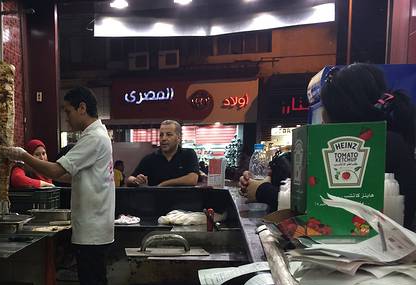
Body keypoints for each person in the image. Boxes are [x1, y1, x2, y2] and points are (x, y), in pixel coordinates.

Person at [241, 63, 416, 229]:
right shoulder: (392, 141)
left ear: (345, 110)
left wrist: (263, 190)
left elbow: (324, 212)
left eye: (326, 109)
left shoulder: (385, 146)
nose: (323, 117)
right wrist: (266, 183)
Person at [3, 86, 115, 285]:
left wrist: (23, 155)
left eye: (68, 111)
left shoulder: (94, 138)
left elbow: (55, 170)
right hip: (94, 228)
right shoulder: (96, 135)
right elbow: (66, 174)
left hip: (93, 231)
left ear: (82, 108)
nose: (66, 117)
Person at [126, 120, 199, 187]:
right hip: (156, 197)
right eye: (161, 135)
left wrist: (163, 184)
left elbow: (192, 179)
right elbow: (130, 179)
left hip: (183, 197)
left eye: (169, 135)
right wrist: (136, 180)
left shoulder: (188, 154)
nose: (163, 138)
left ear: (178, 137)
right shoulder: (150, 159)